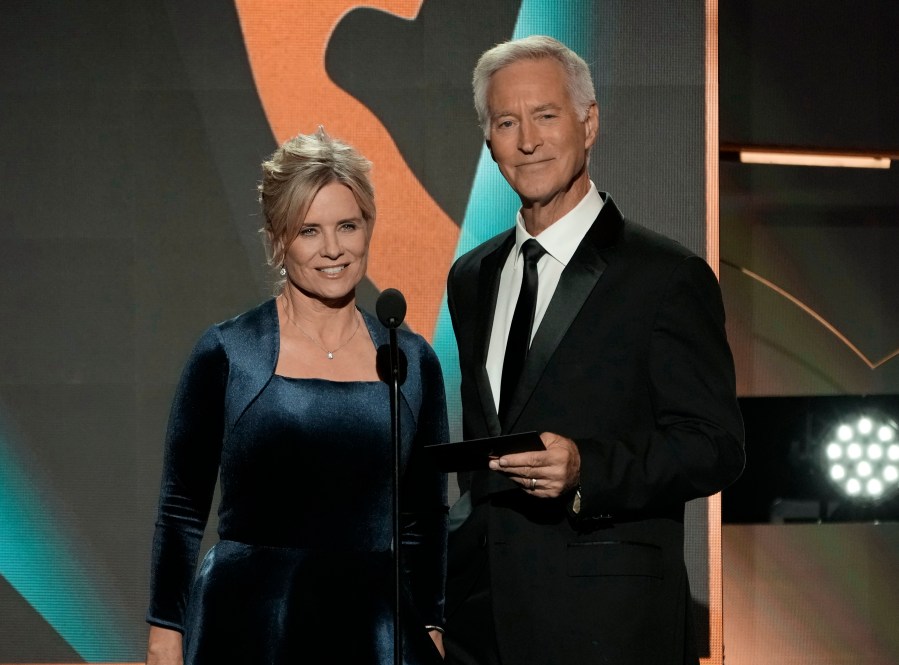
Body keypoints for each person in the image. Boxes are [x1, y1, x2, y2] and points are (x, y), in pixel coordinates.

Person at [443, 36, 745, 665]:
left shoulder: (665, 275)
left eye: (546, 115)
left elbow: (714, 447)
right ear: (488, 141)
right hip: (485, 624)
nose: (527, 140)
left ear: (589, 123)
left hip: (611, 627)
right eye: (506, 122)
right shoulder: (471, 277)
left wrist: (588, 469)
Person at [145, 127, 448, 664]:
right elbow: (182, 508)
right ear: (278, 239)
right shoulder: (228, 352)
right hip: (249, 625)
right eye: (309, 230)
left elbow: (424, 519)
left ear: (368, 229)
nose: (333, 249)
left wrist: (430, 627)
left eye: (347, 226)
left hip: (374, 630)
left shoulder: (412, 360)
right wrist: (165, 634)